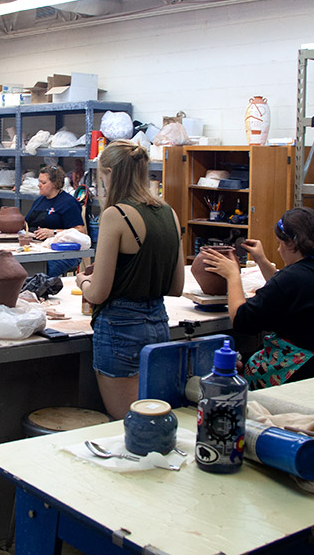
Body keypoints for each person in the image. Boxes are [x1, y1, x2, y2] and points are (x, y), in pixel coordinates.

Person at [75, 140, 185, 419]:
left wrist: (83, 282)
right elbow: (176, 288)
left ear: (109, 173)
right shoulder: (168, 213)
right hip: (159, 324)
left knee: (128, 424)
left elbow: (98, 293)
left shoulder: (117, 214)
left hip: (120, 330)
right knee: (152, 419)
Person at [203, 207, 314, 389]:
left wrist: (232, 276)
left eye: (280, 243)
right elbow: (291, 289)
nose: (279, 249)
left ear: (292, 243)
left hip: (309, 375)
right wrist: (262, 261)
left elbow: (243, 320)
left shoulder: (294, 277)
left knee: (227, 376)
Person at [25, 165, 86, 277]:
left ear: (54, 183)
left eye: (43, 183)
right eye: (39, 182)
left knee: (39, 272)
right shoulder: (39, 201)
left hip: (63, 253)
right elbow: (26, 223)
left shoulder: (68, 203)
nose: (39, 185)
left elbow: (80, 231)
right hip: (39, 247)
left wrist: (53, 232)